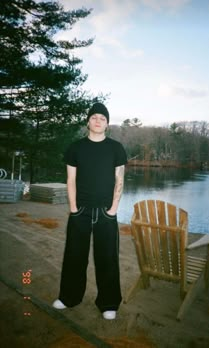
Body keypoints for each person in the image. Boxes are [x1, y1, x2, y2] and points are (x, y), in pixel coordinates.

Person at [52, 102, 127, 320]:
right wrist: (73, 208)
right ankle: (69, 297)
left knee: (107, 259)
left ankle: (109, 303)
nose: (97, 121)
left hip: (106, 213)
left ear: (107, 124)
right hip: (80, 212)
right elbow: (71, 179)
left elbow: (119, 180)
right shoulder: (76, 147)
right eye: (94, 117)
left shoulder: (116, 148)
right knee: (74, 257)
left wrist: (113, 209)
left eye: (102, 118)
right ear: (88, 121)